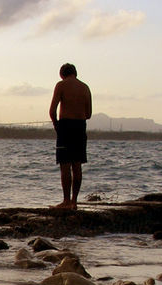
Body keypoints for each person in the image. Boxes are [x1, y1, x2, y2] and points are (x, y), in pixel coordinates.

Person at [49, 63, 92, 209]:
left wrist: (56, 125)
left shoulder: (61, 85)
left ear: (62, 74)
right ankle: (74, 201)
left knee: (65, 165)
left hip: (66, 126)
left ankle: (66, 201)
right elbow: (89, 114)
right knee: (77, 165)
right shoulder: (85, 87)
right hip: (80, 126)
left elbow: (52, 110)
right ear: (75, 73)